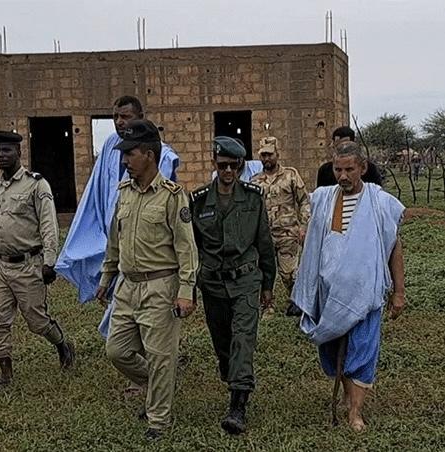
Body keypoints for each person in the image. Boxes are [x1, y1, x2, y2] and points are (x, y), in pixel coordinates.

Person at [292, 141, 405, 432]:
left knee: (363, 349)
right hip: (329, 293)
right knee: (332, 352)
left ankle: (356, 412)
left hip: (365, 294)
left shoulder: (381, 203)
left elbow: (394, 247)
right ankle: (347, 393)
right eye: (337, 169)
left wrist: (399, 292)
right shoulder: (323, 199)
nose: (342, 176)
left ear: (362, 168)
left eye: (349, 169)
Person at [96, 119, 198, 441]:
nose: (125, 160)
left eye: (131, 153)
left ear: (150, 155)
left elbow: (186, 247)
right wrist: (106, 276)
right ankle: (157, 385)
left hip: (160, 286)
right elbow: (115, 240)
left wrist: (186, 291)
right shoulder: (124, 192)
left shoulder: (172, 196)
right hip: (127, 287)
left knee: (159, 356)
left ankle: (158, 420)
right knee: (117, 350)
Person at [55, 95, 179, 337]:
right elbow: (97, 191)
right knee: (122, 309)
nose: (119, 122)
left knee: (147, 316)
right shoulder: (111, 145)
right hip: (115, 236)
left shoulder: (161, 154)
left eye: (125, 116)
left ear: (140, 117)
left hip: (146, 247)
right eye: (115, 117)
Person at [190, 136, 276, 435]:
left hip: (246, 281)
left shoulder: (253, 198)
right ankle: (230, 372)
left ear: (241, 166)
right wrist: (190, 286)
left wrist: (268, 283)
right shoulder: (199, 200)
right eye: (223, 165)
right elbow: (192, 248)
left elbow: (264, 242)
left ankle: (238, 406)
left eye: (234, 166)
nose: (228, 171)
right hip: (213, 283)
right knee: (222, 343)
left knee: (242, 340)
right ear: (214, 164)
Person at [0, 130, 75, 388]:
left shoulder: (36, 184)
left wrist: (49, 262)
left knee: (36, 321)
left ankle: (63, 345)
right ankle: (5, 374)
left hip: (28, 264)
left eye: (6, 150)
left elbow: (49, 225)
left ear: (19, 152)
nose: (1, 155)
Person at [252, 136, 310, 316]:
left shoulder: (290, 175)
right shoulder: (255, 181)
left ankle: (297, 302)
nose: (267, 158)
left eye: (270, 154)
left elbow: (304, 201)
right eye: (263, 155)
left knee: (289, 273)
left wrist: (303, 226)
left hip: (288, 234)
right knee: (265, 274)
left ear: (277, 154)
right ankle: (267, 306)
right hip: (264, 237)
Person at [316, 126, 382, 187]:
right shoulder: (325, 171)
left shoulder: (370, 169)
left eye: (349, 169)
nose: (343, 177)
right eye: (338, 170)